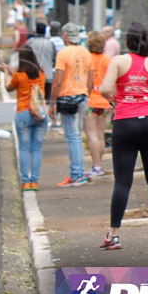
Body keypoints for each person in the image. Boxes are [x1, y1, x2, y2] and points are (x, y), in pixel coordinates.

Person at [98, 22, 148, 250]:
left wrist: (118, 100)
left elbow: (104, 89)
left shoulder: (119, 62)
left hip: (125, 122)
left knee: (123, 180)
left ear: (127, 41)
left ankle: (114, 235)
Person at [49, 23, 91, 187]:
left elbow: (58, 80)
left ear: (65, 37)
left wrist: (53, 102)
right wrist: (85, 93)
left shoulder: (63, 54)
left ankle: (76, 175)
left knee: (72, 137)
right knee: (78, 136)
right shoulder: (86, 53)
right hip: (83, 96)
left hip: (68, 97)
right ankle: (79, 172)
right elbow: (91, 79)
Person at [0, 46, 47, 191]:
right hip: (40, 114)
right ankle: (35, 181)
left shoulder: (19, 75)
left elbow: (9, 87)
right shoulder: (41, 73)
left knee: (25, 148)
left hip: (23, 113)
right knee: (37, 148)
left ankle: (26, 182)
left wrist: (7, 73)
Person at [83, 31, 111, 178]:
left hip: (90, 101)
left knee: (91, 135)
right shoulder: (107, 60)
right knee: (100, 135)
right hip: (105, 101)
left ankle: (96, 166)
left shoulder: (86, 59)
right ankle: (98, 164)